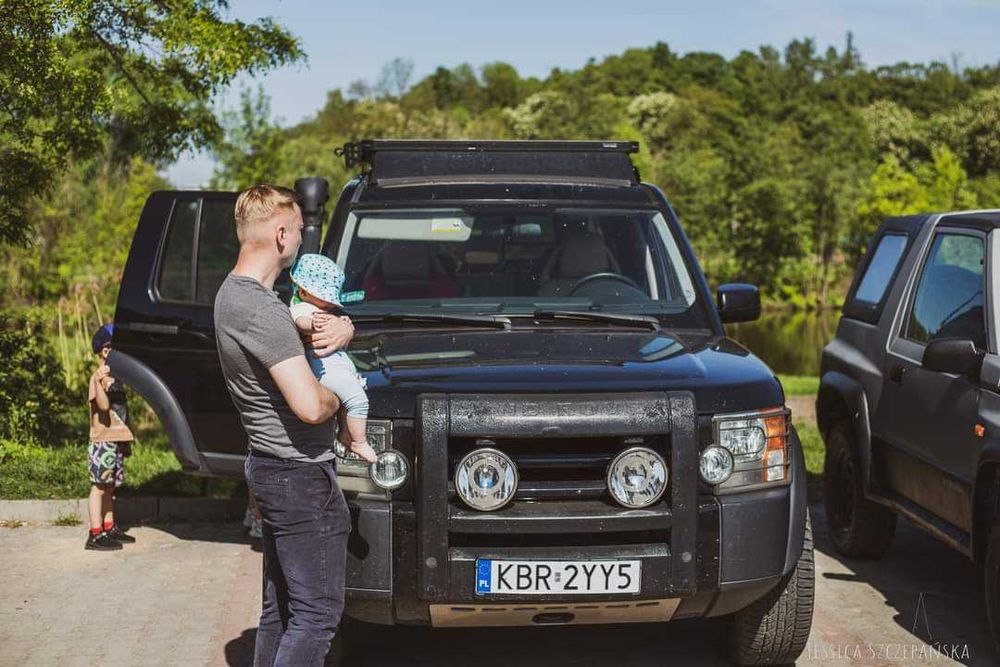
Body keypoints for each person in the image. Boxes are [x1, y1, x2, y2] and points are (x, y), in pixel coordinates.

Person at [213, 184, 356, 666]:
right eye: (297, 230)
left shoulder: (235, 295)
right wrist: (345, 395)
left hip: (272, 466)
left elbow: (308, 325)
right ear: (279, 234)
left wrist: (344, 326)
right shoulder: (261, 310)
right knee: (317, 615)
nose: (299, 239)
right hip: (299, 475)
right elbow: (311, 407)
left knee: (282, 609)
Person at [289, 253, 377, 464]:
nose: (330, 303)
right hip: (326, 368)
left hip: (336, 365)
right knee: (358, 402)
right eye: (325, 298)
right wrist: (312, 325)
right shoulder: (302, 308)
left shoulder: (317, 308)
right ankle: (359, 441)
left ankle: (346, 435)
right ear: (303, 292)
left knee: (347, 405)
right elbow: (300, 320)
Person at [85, 324, 136, 551]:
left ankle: (109, 526)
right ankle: (95, 534)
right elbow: (104, 407)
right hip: (102, 441)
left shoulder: (115, 377)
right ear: (105, 351)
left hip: (114, 440)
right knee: (99, 487)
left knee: (110, 487)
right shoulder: (97, 378)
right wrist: (100, 382)